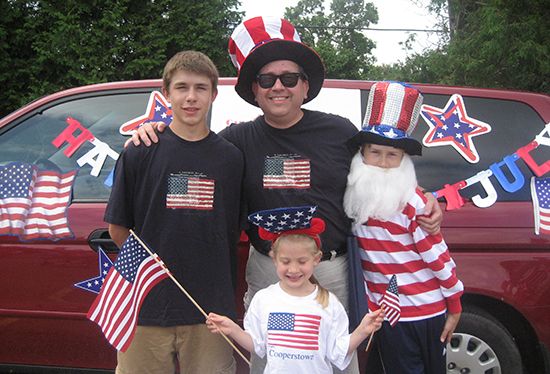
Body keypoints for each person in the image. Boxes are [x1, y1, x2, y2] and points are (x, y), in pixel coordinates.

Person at [128, 16, 443, 374]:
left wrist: (423, 194)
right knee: (272, 363)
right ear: (256, 91)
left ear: (305, 87)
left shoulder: (339, 131)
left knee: (337, 361)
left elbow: (382, 167)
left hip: (331, 272)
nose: (278, 87)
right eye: (266, 80)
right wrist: (153, 130)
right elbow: (190, 146)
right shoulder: (235, 142)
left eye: (289, 79)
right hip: (268, 274)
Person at [104, 51, 244, 374]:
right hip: (147, 309)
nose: (191, 97)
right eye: (181, 88)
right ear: (166, 93)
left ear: (214, 94)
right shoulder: (140, 150)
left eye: (200, 88)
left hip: (210, 313)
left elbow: (232, 229)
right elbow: (118, 229)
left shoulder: (231, 159)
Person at [344, 81, 464, 374]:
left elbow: (438, 256)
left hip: (422, 311)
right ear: (362, 153)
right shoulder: (354, 196)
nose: (383, 163)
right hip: (383, 313)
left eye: (392, 155)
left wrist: (456, 304)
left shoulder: (413, 204)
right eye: (375, 152)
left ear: (404, 159)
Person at [206, 206, 385, 374]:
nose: (293, 269)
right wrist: (233, 330)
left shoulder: (329, 302)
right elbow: (258, 346)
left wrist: (362, 330)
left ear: (316, 259)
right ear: (274, 259)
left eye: (302, 262)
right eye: (285, 262)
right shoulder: (263, 299)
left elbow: (337, 352)